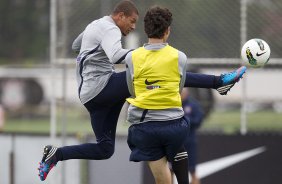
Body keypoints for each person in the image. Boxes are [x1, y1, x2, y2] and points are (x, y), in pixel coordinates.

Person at [38, 0, 246, 181]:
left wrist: (90, 54)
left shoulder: (96, 24)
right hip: (101, 87)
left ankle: (56, 154)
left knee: (104, 149)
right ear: (120, 16)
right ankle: (218, 82)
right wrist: (148, 52)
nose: (133, 27)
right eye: (131, 21)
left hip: (91, 96)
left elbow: (76, 45)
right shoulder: (110, 28)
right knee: (162, 72)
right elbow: (115, 56)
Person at [125, 6, 190, 184]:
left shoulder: (132, 57)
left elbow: (132, 89)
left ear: (146, 29)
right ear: (167, 31)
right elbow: (179, 88)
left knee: (162, 179)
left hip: (145, 128)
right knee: (179, 134)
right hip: (174, 125)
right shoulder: (180, 57)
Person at [181, 88, 205, 184]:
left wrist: (186, 121)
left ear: (187, 93)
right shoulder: (173, 104)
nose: (180, 95)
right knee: (171, 168)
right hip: (175, 142)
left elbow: (198, 120)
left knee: (192, 169)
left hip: (190, 141)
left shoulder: (193, 105)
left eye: (182, 93)